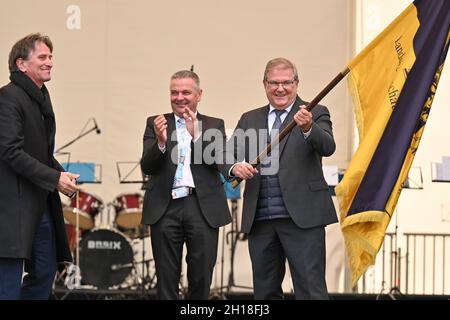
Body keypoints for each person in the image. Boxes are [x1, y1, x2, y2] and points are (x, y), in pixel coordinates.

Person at [227, 57, 337, 299]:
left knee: (310, 290)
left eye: (286, 82)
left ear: (296, 83)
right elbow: (228, 152)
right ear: (264, 84)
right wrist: (235, 167)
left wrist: (309, 127)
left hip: (304, 219)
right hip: (262, 219)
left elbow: (328, 146)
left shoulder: (315, 111)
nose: (280, 88)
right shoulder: (249, 118)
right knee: (264, 293)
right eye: (274, 83)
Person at [0, 33, 80, 299]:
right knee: (8, 281)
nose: (50, 62)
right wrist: (54, 178)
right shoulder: (8, 98)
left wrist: (59, 174)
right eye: (43, 57)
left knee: (45, 272)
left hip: (39, 201)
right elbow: (10, 151)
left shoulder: (40, 97)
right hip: (13, 205)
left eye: (51, 57)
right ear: (21, 64)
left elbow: (40, 152)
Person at [140, 70, 231, 299]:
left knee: (201, 277)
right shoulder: (156, 123)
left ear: (199, 94)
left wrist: (196, 136)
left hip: (202, 207)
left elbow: (216, 160)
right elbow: (148, 167)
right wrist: (160, 143)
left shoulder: (214, 124)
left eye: (185, 92)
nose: (179, 97)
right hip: (165, 206)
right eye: (174, 92)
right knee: (166, 278)